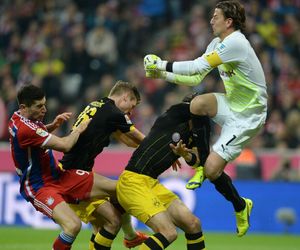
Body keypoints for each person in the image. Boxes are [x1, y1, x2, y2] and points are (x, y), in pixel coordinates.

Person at [144, 0, 268, 237]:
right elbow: (195, 78)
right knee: (197, 104)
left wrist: (161, 64)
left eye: (215, 16)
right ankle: (200, 164)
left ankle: (241, 206)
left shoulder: (236, 43)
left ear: (228, 22)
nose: (211, 20)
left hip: (249, 116)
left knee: (214, 171)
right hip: (232, 104)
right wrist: (160, 74)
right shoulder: (216, 43)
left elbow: (194, 67)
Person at [8, 84, 121, 250]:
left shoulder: (17, 119)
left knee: (119, 188)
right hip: (40, 187)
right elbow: (65, 145)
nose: (44, 110)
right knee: (73, 226)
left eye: (44, 104)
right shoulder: (25, 129)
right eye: (39, 106)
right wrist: (78, 130)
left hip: (60, 176)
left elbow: (34, 135)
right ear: (23, 107)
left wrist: (52, 126)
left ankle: (130, 235)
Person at [59, 80, 148, 249]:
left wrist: (145, 147)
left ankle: (130, 236)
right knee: (125, 189)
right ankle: (130, 236)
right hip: (73, 175)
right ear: (125, 97)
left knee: (108, 223)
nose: (131, 111)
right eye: (132, 105)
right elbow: (137, 136)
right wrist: (163, 150)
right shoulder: (113, 112)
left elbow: (127, 141)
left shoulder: (98, 106)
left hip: (76, 172)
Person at [117, 93, 206, 250]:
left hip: (152, 184)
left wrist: (184, 154)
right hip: (133, 181)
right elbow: (179, 108)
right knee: (168, 233)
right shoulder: (173, 117)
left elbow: (197, 160)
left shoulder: (195, 134)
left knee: (193, 224)